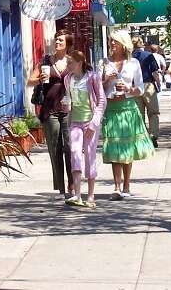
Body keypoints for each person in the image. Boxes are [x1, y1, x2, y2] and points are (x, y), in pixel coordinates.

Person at [102, 31, 155, 200]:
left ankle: (126, 186)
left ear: (124, 44)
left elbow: (140, 88)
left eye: (115, 42)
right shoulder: (105, 62)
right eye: (111, 41)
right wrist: (105, 80)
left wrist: (127, 90)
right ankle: (116, 187)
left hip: (128, 108)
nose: (112, 44)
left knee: (127, 148)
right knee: (114, 148)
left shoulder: (133, 63)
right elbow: (97, 88)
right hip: (111, 108)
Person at [28, 29, 74, 198]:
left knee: (70, 147)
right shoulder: (46, 61)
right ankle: (61, 186)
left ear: (68, 44)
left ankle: (72, 184)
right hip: (50, 109)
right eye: (56, 39)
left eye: (61, 40)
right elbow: (29, 81)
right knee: (55, 148)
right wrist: (40, 78)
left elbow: (83, 79)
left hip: (69, 109)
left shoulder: (72, 61)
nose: (57, 42)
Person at [62, 50, 106, 208]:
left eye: (70, 63)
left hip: (90, 122)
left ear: (79, 62)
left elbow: (102, 100)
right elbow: (68, 98)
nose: (68, 66)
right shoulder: (68, 79)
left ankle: (91, 195)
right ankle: (77, 194)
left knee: (89, 155)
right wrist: (66, 103)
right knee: (74, 152)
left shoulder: (92, 77)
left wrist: (94, 123)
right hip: (75, 122)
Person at [131, 37, 161, 148]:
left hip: (135, 88)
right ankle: (153, 136)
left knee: (139, 114)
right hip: (148, 85)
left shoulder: (130, 57)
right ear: (142, 44)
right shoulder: (148, 55)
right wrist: (158, 84)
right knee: (153, 112)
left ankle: (141, 138)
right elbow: (155, 72)